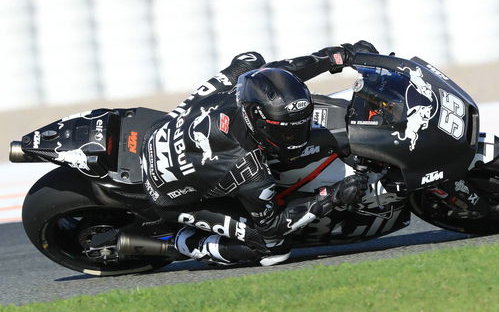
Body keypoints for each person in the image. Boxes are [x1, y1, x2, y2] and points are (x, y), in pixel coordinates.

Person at [140, 41, 378, 266]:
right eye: (287, 133)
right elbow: (273, 226)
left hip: (158, 130)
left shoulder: (248, 87)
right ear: (258, 123)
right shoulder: (250, 171)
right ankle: (179, 243)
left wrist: (341, 55)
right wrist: (333, 195)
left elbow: (284, 74)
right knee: (272, 248)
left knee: (251, 63)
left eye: (300, 126)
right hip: (164, 194)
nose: (297, 137)